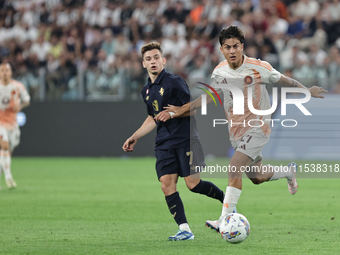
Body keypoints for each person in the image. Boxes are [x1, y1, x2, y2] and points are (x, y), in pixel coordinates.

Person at [165, 26, 327, 231]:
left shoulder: (259, 67)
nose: (232, 51)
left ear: (242, 46)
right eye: (227, 47)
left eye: (235, 46)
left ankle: (224, 219)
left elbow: (284, 80)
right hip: (236, 131)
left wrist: (307, 90)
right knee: (257, 177)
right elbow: (207, 98)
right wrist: (182, 109)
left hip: (259, 126)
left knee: (234, 166)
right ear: (221, 49)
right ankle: (288, 172)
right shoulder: (219, 71)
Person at [122, 42, 228, 241]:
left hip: (185, 138)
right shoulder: (146, 90)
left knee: (193, 185)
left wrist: (172, 113)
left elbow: (193, 108)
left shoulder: (174, 82)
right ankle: (185, 229)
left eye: (155, 58)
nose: (152, 62)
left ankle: (227, 202)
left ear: (163, 60)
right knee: (166, 184)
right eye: (148, 59)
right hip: (163, 142)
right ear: (143, 64)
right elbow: (153, 117)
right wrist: (135, 136)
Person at [0, 63, 30, 189]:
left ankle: (4, 174)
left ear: (11, 72)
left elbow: (27, 100)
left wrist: (20, 106)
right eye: (2, 70)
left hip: (13, 123)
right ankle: (8, 178)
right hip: (0, 122)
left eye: (7, 70)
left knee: (8, 151)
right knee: (4, 146)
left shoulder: (18, 86)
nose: (5, 73)